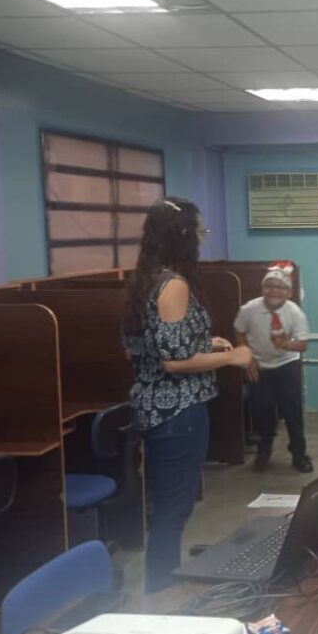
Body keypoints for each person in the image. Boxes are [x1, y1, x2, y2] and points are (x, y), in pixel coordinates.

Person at [122, 197, 253, 593]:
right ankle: (162, 595)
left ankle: (161, 588)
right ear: (183, 235)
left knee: (167, 508)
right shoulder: (174, 285)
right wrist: (231, 358)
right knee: (173, 513)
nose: (201, 239)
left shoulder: (147, 279)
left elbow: (144, 346)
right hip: (178, 412)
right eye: (199, 231)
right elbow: (174, 362)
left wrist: (203, 343)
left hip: (156, 408)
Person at [234, 264, 312, 473]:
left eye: (280, 287)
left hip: (287, 364)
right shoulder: (249, 309)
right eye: (269, 286)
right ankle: (264, 451)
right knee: (262, 410)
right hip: (260, 366)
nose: (274, 291)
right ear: (262, 289)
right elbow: (239, 331)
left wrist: (285, 344)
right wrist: (248, 359)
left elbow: (303, 344)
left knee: (293, 412)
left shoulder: (294, 312)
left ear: (288, 292)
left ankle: (299, 454)